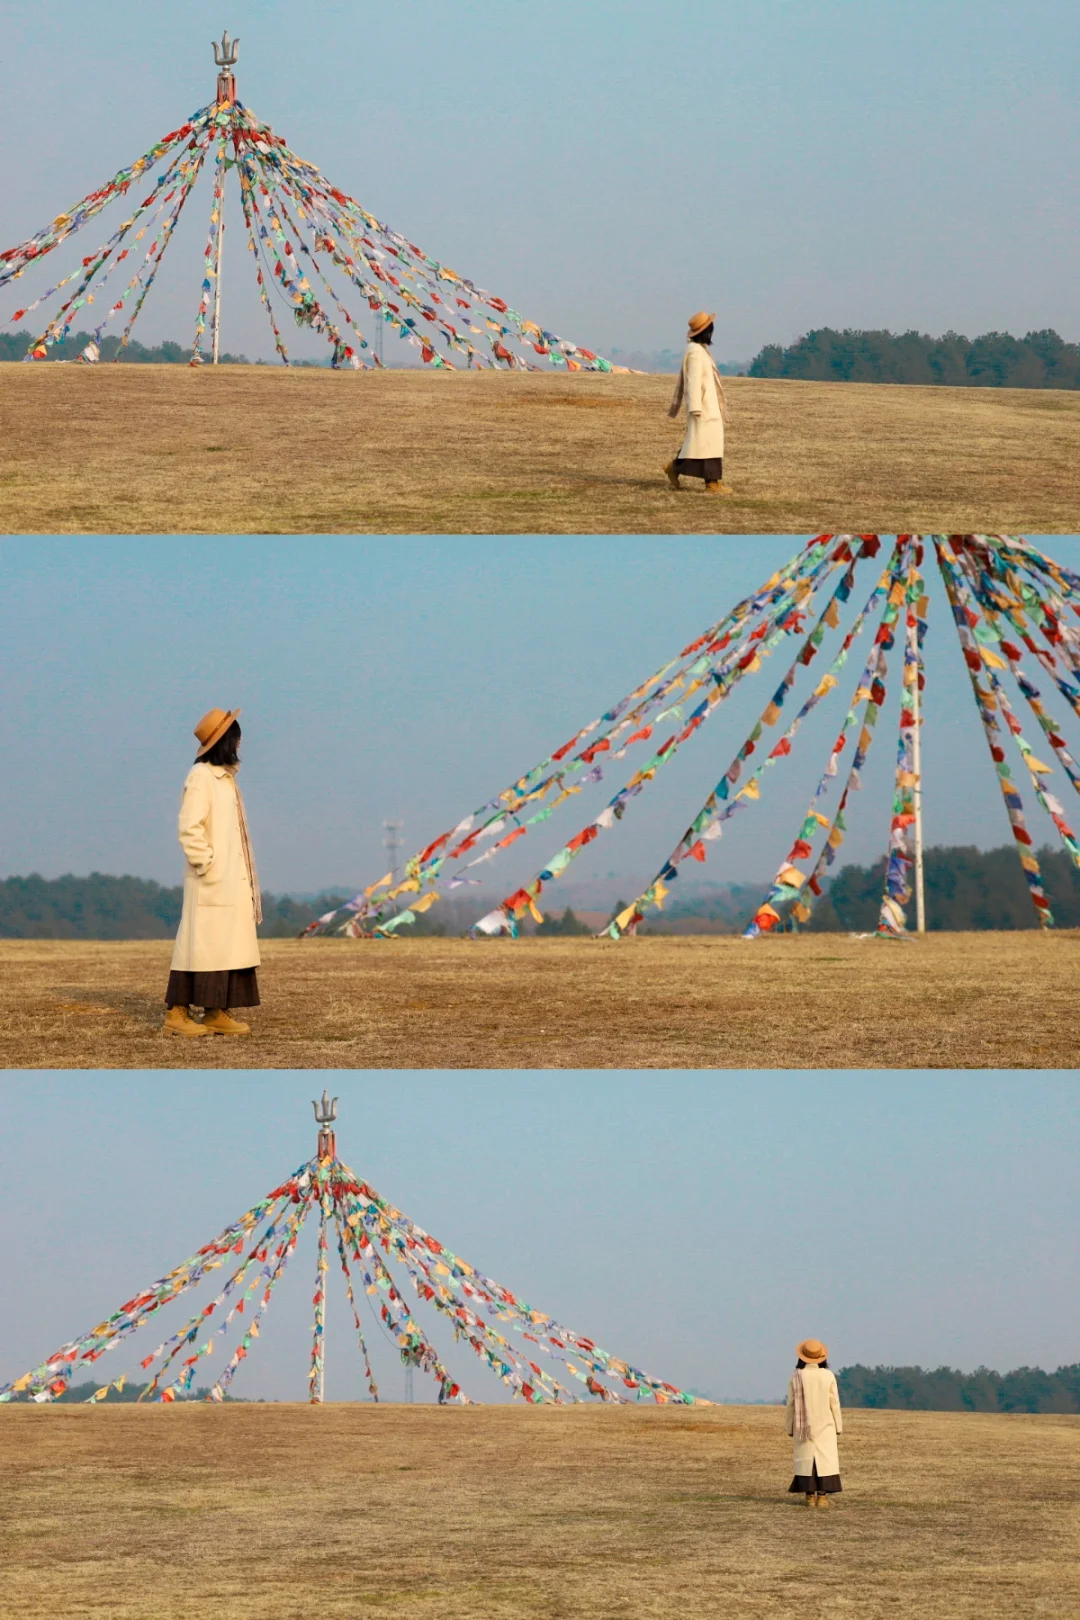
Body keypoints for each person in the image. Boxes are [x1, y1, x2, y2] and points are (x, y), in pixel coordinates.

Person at [163, 707, 263, 1037]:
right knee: (200, 949)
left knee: (226, 949)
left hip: (231, 882)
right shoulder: (201, 777)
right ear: (224, 740)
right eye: (236, 736)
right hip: (211, 882)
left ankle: (215, 1011)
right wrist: (207, 864)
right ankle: (177, 1014)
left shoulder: (226, 780)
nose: (240, 743)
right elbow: (189, 827)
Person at [664, 311, 732, 494]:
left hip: (709, 406)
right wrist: (695, 407)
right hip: (703, 408)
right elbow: (692, 381)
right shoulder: (695, 352)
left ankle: (675, 467)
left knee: (701, 445)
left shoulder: (700, 350)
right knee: (702, 445)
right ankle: (711, 484)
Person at [785, 1339, 843, 1507]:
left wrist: (789, 1427)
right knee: (825, 1461)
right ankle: (823, 1497)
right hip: (825, 1425)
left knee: (806, 1460)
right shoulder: (828, 1375)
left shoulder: (796, 1376)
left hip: (802, 1426)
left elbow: (791, 1404)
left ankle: (809, 1496)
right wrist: (838, 1426)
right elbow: (835, 1402)